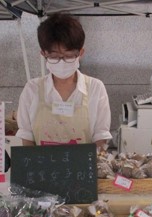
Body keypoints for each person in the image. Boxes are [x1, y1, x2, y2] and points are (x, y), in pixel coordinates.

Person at [16, 13, 112, 148]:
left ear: (81, 53)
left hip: (83, 168)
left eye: (69, 56)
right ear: (43, 54)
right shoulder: (32, 89)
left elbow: (100, 139)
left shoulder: (95, 88)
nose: (62, 62)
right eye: (54, 56)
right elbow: (27, 139)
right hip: (42, 168)